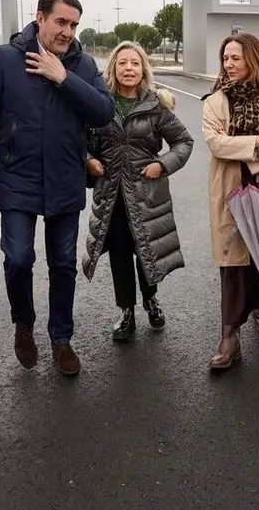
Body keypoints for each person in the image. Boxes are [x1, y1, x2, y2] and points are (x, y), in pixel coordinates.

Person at [0, 0, 114, 376]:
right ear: (40, 17)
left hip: (65, 179)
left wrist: (64, 78)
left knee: (63, 264)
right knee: (18, 259)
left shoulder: (83, 63)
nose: (68, 31)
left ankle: (61, 338)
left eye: (74, 24)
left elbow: (104, 112)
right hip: (17, 179)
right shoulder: (5, 60)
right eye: (61, 22)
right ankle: (23, 325)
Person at [81, 41, 194, 340]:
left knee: (146, 250)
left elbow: (184, 142)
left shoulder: (156, 105)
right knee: (119, 253)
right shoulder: (99, 105)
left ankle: (150, 299)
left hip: (147, 193)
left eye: (134, 63)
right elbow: (80, 142)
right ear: (113, 69)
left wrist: (163, 164)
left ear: (143, 69)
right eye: (122, 63)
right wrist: (89, 160)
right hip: (112, 195)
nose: (128, 68)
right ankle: (126, 310)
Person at [201, 32, 259, 370]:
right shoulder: (214, 101)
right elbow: (215, 143)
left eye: (235, 58)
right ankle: (229, 338)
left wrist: (239, 147)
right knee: (232, 261)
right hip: (228, 188)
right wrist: (257, 139)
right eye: (225, 58)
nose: (228, 64)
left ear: (252, 59)